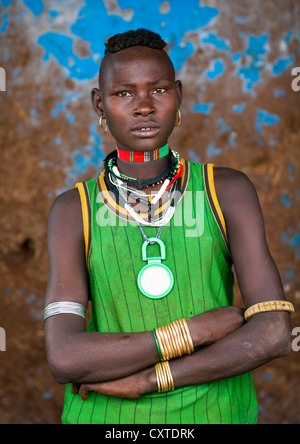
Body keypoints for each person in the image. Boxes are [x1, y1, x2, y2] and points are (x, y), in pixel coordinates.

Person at [44, 29, 294, 425]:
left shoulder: (225, 191)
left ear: (178, 94)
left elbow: (273, 332)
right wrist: (197, 329)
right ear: (99, 103)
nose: (143, 106)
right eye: (123, 93)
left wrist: (151, 379)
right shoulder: (73, 210)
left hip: (217, 415)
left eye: (158, 90)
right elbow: (64, 357)